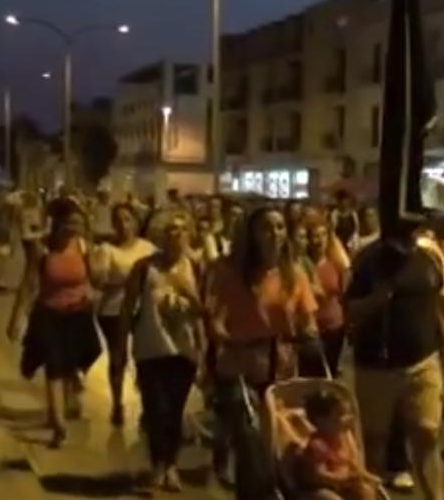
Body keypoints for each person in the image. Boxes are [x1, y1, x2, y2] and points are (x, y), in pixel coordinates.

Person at [344, 223, 444, 500]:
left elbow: (438, 298)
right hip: (377, 365)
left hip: (423, 361)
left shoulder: (429, 255)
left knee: (428, 433)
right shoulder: (369, 257)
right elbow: (350, 308)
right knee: (375, 442)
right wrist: (377, 299)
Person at [207, 207, 319, 489]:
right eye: (267, 228)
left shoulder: (294, 274)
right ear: (253, 234)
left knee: (278, 446)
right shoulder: (231, 273)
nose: (274, 235)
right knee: (251, 444)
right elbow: (215, 320)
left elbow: (308, 321)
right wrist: (227, 337)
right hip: (241, 370)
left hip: (281, 371)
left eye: (280, 227)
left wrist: (308, 336)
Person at [119, 211, 205, 492]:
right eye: (170, 230)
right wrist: (121, 345)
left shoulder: (196, 267)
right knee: (156, 409)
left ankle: (171, 465)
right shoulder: (144, 268)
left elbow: (205, 311)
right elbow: (128, 306)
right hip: (151, 347)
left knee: (175, 411)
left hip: (184, 350)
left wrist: (205, 348)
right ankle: (158, 464)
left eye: (181, 230)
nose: (176, 235)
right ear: (160, 235)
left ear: (189, 235)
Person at [6, 198, 103, 448]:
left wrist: (97, 262)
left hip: (79, 314)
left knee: (82, 356)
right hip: (49, 314)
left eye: (78, 223)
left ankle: (74, 383)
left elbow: (97, 279)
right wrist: (16, 317)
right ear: (58, 224)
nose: (74, 228)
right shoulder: (43, 249)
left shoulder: (83, 246)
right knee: (54, 366)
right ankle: (58, 422)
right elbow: (28, 283)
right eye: (70, 223)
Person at [90, 202, 158, 426]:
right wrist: (122, 282)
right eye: (118, 220)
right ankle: (117, 403)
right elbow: (98, 281)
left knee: (147, 358)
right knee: (118, 357)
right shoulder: (107, 250)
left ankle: (149, 406)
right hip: (113, 310)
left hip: (143, 309)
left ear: (136, 221)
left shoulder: (148, 249)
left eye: (127, 219)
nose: (123, 225)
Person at [281, 392, 381, 500]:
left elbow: (352, 463)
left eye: (346, 414)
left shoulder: (344, 438)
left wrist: (364, 476)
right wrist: (344, 479)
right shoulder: (317, 445)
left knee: (365, 491)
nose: (346, 419)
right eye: (339, 416)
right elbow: (318, 476)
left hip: (342, 485)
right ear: (321, 422)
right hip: (318, 488)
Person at [300, 217, 348, 378]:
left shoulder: (336, 263)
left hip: (334, 327)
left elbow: (344, 294)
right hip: (309, 330)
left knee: (330, 374)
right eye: (314, 236)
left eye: (323, 235)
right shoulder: (300, 265)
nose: (319, 240)